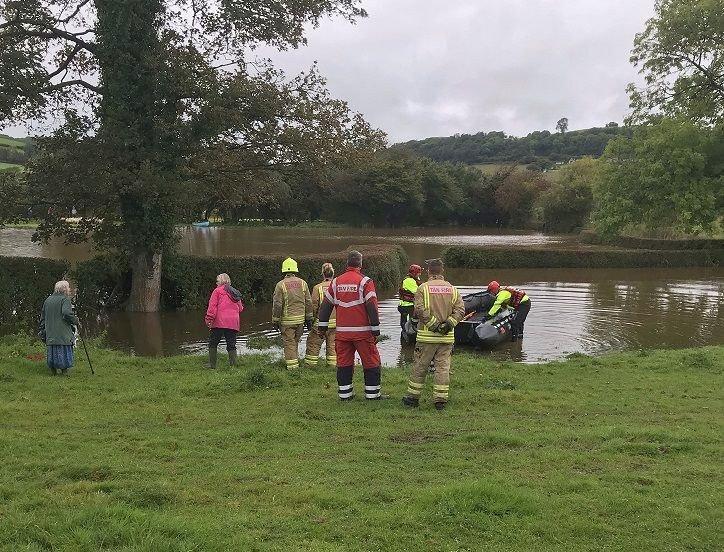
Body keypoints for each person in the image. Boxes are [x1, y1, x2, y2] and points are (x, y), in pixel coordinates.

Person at [317, 250, 384, 401]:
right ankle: (372, 395)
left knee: (344, 363)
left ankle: (345, 395)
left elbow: (326, 306)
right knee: (371, 362)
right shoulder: (365, 282)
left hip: (342, 334)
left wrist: (322, 328)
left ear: (347, 263)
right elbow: (372, 305)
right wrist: (375, 330)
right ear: (360, 264)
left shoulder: (336, 282)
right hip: (363, 333)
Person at [402, 259, 464, 410]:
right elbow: (460, 311)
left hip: (426, 337)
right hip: (446, 337)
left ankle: (412, 398)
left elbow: (419, 310)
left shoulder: (423, 288)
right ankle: (440, 401)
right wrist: (448, 324)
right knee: (443, 368)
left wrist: (434, 325)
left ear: (429, 271)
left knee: (420, 366)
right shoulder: (452, 289)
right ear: (442, 271)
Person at [272, 257, 313, 370]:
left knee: (289, 343)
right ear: (295, 270)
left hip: (287, 321)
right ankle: (295, 362)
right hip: (300, 320)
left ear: (284, 270)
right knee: (295, 342)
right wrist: (309, 319)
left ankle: (293, 369)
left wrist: (275, 320)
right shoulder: (303, 283)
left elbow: (277, 304)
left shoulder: (280, 285)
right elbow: (308, 302)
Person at [205, 273, 245, 368]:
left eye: (217, 281)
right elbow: (240, 309)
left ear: (221, 281)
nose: (216, 283)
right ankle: (233, 365)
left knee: (213, 343)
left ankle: (212, 365)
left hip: (219, 322)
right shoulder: (234, 292)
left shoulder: (217, 291)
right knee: (231, 344)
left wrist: (209, 319)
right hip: (233, 322)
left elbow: (212, 307)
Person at [40, 280, 79, 376]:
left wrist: (43, 329)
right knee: (63, 348)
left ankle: (53, 371)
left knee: (52, 350)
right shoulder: (65, 299)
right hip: (62, 332)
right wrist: (75, 320)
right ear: (64, 289)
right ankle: (64, 371)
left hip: (50, 331)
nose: (69, 289)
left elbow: (42, 317)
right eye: (68, 287)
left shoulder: (48, 300)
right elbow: (66, 313)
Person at [305, 262, 337, 368]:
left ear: (322, 274)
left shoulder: (317, 288)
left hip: (320, 324)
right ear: (333, 273)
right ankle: (333, 366)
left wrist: (311, 320)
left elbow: (314, 306)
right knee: (333, 346)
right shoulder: (338, 286)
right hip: (336, 323)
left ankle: (310, 365)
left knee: (313, 344)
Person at [398, 264, 422, 331]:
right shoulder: (409, 280)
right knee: (407, 324)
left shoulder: (414, 279)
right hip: (407, 305)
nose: (419, 274)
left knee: (408, 324)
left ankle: (406, 334)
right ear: (414, 273)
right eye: (418, 273)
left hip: (409, 305)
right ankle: (406, 335)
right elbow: (417, 291)